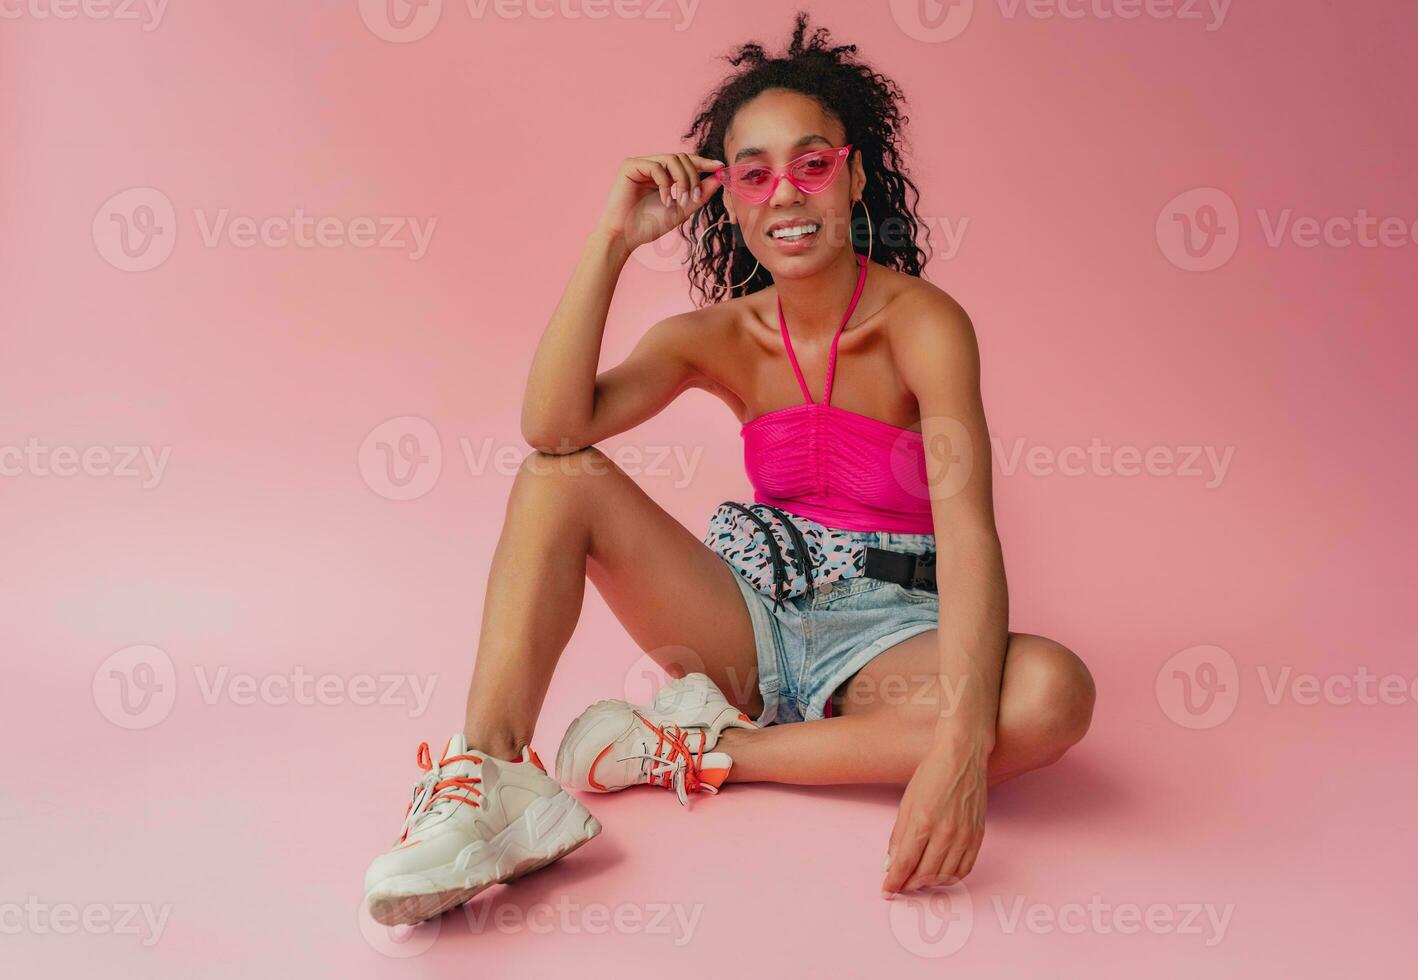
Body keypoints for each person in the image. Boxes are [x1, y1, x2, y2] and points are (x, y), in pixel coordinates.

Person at [364, 13, 1095, 929]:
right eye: (754, 174)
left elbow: (971, 530)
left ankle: (697, 748)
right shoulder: (714, 337)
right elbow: (552, 428)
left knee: (1050, 692)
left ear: (855, 174)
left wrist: (957, 749)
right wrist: (613, 239)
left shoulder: (925, 325)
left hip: (892, 636)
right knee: (558, 480)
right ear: (731, 199)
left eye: (813, 164)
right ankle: (495, 779)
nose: (786, 194)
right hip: (748, 620)